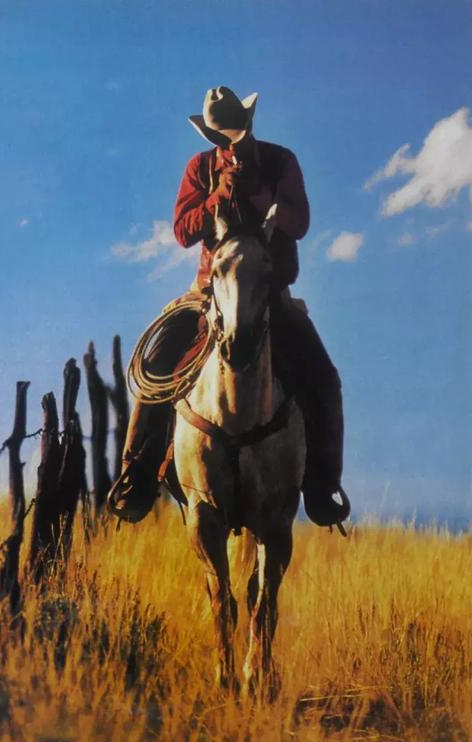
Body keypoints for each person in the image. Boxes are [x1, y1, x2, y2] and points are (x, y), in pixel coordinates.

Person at [108, 86, 350, 529]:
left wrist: (258, 196)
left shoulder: (280, 161)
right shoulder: (200, 168)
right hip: (209, 295)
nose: (229, 144)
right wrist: (219, 194)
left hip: (271, 292)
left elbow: (299, 222)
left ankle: (322, 483)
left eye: (234, 134)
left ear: (249, 126)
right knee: (155, 372)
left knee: (323, 379)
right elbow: (183, 231)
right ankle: (136, 477)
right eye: (222, 137)